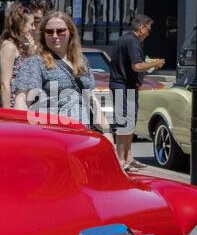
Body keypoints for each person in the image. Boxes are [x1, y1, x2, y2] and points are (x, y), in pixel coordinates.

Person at [13, 11, 103, 130]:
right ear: (43, 35)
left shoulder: (82, 62)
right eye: (49, 32)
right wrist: (24, 131)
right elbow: (22, 101)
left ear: (70, 32)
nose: (55, 36)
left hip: (83, 134)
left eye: (60, 31)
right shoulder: (36, 63)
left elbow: (92, 100)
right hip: (52, 135)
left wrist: (106, 131)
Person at [108, 13, 165, 172]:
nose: (149, 32)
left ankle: (128, 157)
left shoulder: (126, 40)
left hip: (128, 86)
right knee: (124, 123)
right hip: (122, 86)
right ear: (141, 28)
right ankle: (121, 160)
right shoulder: (132, 41)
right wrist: (155, 63)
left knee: (129, 123)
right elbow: (137, 66)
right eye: (148, 28)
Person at [0, 2, 37, 108]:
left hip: (24, 101)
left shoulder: (22, 46)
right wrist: (8, 113)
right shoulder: (9, 46)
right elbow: (5, 83)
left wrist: (32, 52)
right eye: (31, 24)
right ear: (21, 24)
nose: (34, 28)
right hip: (13, 104)